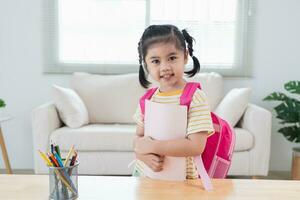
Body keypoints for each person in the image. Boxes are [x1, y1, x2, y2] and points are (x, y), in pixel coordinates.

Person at [133, 24, 214, 179]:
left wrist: (155, 146)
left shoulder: (195, 97)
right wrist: (142, 156)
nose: (165, 67)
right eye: (155, 61)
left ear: (185, 55)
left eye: (172, 58)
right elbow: (138, 139)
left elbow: (196, 146)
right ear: (146, 64)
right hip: (145, 177)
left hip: (181, 181)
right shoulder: (147, 99)